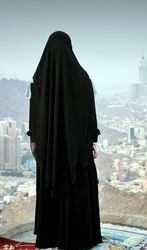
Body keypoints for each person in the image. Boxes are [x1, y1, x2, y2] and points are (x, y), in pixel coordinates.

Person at [27, 31, 102, 249]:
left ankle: (51, 235)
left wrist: (35, 143)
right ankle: (78, 236)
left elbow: (34, 117)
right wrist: (92, 142)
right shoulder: (82, 79)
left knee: (53, 186)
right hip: (76, 150)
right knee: (76, 185)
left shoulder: (38, 81)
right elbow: (90, 114)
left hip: (49, 149)